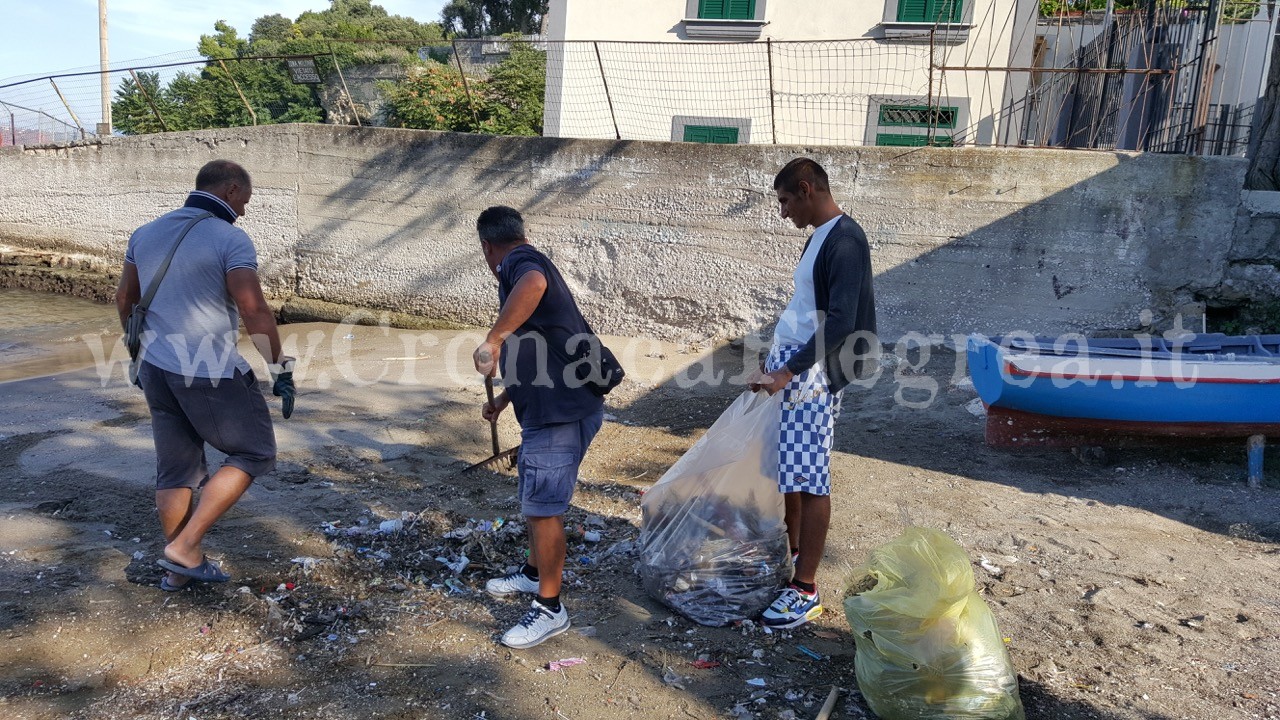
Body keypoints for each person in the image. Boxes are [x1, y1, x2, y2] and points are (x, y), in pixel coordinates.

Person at [115, 160, 295, 591]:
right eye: (245, 201)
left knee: (175, 470)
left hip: (156, 368)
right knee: (254, 453)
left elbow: (125, 299)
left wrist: (136, 352)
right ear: (231, 190)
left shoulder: (146, 232)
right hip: (208, 370)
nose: (245, 211)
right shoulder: (229, 238)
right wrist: (278, 368)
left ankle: (179, 570)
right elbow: (254, 310)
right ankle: (186, 546)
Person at [749, 158, 877, 629]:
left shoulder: (845, 240)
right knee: (789, 470)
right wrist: (775, 355)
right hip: (796, 365)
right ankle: (795, 557)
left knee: (809, 476)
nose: (783, 212)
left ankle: (805, 588)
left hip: (815, 375)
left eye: (785, 200)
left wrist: (789, 371)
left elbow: (841, 321)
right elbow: (805, 306)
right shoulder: (820, 237)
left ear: (806, 189)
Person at [471, 205, 605, 649]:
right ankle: (533, 575)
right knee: (535, 503)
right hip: (555, 406)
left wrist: (493, 340)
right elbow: (546, 347)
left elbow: (534, 285)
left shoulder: (519, 264)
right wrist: (508, 398)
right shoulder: (525, 259)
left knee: (543, 508)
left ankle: (550, 608)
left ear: (488, 246)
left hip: (560, 415)